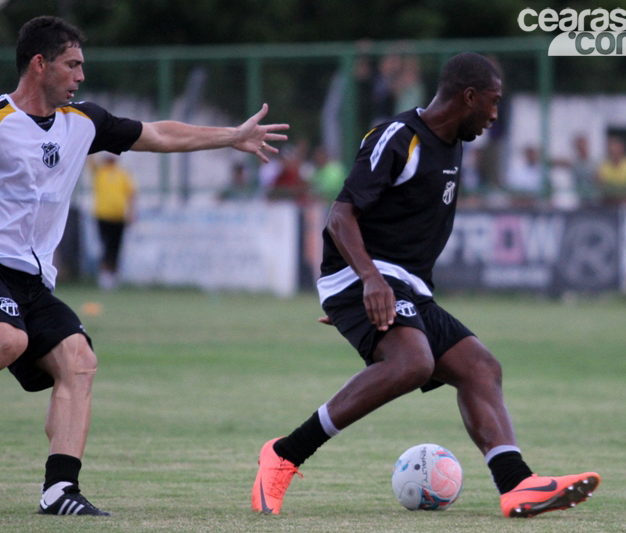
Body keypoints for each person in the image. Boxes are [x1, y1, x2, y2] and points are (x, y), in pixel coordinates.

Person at [0, 16, 288, 516]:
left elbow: (158, 134)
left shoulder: (83, 122)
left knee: (79, 360)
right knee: (7, 340)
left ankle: (59, 491)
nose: (79, 76)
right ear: (39, 64)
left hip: (32, 277)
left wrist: (230, 136)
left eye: (81, 66)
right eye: (71, 65)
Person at [251, 52, 599, 519]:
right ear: (469, 97)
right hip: (364, 274)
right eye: (493, 103)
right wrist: (365, 283)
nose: (496, 115)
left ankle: (517, 485)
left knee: (481, 368)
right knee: (414, 362)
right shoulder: (398, 137)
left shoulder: (455, 142)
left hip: (407, 285)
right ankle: (286, 454)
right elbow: (340, 215)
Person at [91, 154, 136, 290]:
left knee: (116, 247)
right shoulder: (100, 171)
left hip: (119, 217)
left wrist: (131, 213)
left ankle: (113, 275)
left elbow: (131, 194)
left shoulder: (122, 174)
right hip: (103, 216)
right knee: (106, 245)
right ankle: (104, 275)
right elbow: (89, 158)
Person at [597, 136, 626, 202]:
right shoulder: (603, 165)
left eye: (616, 148)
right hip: (608, 201)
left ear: (622, 149)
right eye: (612, 149)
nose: (614, 151)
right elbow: (602, 184)